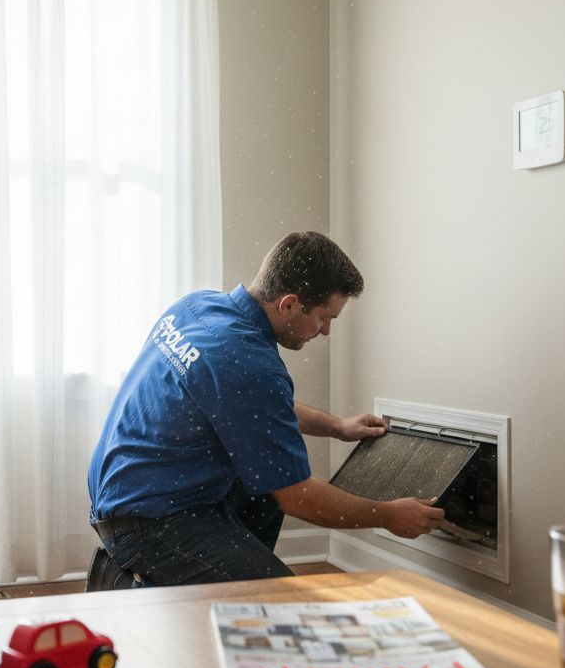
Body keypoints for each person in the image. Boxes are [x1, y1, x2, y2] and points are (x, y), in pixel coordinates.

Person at [86, 231, 445, 589]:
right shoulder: (250, 366)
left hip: (125, 489)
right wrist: (388, 516)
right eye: (324, 317)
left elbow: (257, 411)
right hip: (149, 521)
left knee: (264, 485)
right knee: (280, 602)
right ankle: (140, 580)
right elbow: (298, 497)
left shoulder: (197, 306)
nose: (326, 331)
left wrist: (338, 427)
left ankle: (213, 577)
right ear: (289, 304)